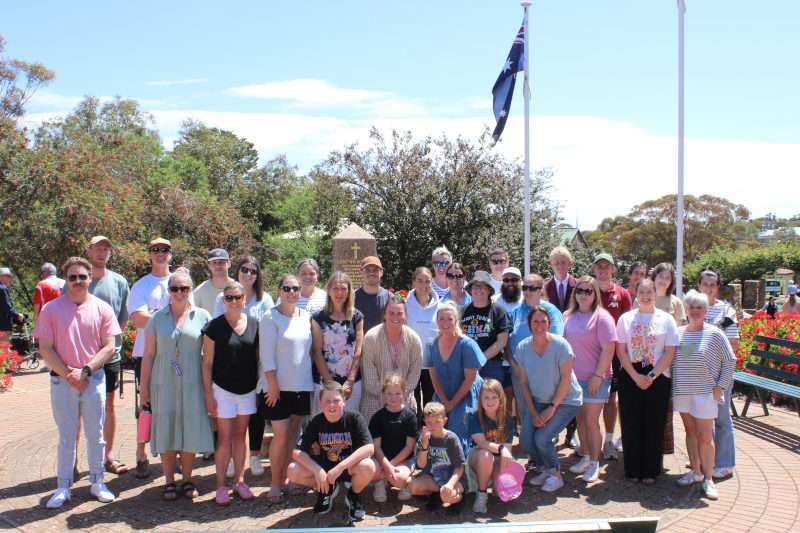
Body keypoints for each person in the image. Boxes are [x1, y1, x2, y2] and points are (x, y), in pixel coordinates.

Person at [35, 257, 121, 508]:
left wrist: (85, 370)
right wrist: (69, 374)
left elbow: (109, 346)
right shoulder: (51, 309)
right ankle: (63, 486)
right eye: (72, 277)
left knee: (96, 435)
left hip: (93, 379)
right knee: (66, 436)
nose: (78, 281)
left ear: (89, 278)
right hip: (63, 382)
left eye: (82, 277)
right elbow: (46, 348)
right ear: (66, 280)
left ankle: (97, 482)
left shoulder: (102, 308)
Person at [139, 271, 213, 501]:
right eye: (175, 289)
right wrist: (144, 389)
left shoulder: (202, 316)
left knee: (190, 429)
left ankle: (187, 479)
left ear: (191, 290)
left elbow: (209, 358)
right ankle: (169, 481)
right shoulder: (157, 319)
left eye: (184, 288)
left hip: (193, 383)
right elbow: (149, 355)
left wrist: (209, 390)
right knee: (167, 429)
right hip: (164, 383)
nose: (180, 293)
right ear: (168, 291)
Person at [212, 256, 275, 476]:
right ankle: (230, 460)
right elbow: (216, 328)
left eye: (253, 271)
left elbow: (269, 329)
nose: (248, 274)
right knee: (229, 420)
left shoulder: (264, 299)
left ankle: (255, 456)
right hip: (229, 363)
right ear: (237, 271)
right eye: (244, 269)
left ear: (258, 275)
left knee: (256, 413)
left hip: (256, 363)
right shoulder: (223, 296)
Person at [673, 290, 735, 501]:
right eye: (691, 307)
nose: (695, 311)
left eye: (699, 307)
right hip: (683, 392)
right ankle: (696, 471)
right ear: (686, 310)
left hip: (706, 394)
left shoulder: (715, 334)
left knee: (706, 437)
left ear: (705, 310)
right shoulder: (679, 332)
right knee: (690, 432)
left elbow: (730, 361)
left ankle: (708, 478)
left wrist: (721, 387)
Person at [615, 279, 679, 484]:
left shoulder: (666, 319)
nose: (645, 296)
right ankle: (633, 469)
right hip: (631, 374)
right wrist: (635, 376)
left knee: (654, 422)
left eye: (649, 292)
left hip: (657, 375)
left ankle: (651, 470)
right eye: (641, 292)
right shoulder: (625, 319)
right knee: (631, 421)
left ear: (655, 294)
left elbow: (670, 351)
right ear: (635, 294)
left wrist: (651, 376)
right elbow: (621, 351)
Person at [514, 306, 582, 493]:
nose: (539, 325)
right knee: (527, 440)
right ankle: (544, 468)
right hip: (538, 399)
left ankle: (556, 475)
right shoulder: (522, 348)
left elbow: (566, 380)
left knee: (542, 438)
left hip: (566, 400)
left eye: (543, 321)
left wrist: (552, 408)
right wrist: (534, 412)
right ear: (529, 325)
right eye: (535, 321)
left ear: (549, 324)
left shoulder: (561, 346)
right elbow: (524, 384)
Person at [202, 281, 259, 505]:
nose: (234, 301)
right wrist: (209, 394)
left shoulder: (255, 324)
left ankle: (240, 481)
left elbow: (257, 359)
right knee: (224, 438)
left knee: (240, 436)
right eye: (230, 298)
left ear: (245, 299)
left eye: (238, 297)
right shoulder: (214, 326)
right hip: (222, 389)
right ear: (224, 301)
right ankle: (220, 486)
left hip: (247, 389)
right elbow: (206, 363)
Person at [259, 274, 314, 503]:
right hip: (277, 388)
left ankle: (286, 479)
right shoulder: (270, 317)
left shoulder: (306, 317)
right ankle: (275, 483)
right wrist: (272, 384)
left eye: (296, 288)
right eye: (287, 288)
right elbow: (266, 354)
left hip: (301, 385)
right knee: (280, 437)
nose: (292, 292)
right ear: (279, 290)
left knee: (293, 435)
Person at [287, 381, 375, 521]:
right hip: (325, 469)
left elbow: (369, 447)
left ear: (344, 401)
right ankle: (326, 490)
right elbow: (297, 452)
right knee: (292, 470)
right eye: (327, 401)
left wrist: (341, 467)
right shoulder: (316, 422)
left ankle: (354, 495)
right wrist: (317, 470)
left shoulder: (354, 418)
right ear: (320, 403)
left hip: (348, 467)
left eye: (336, 400)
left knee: (368, 466)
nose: (332, 405)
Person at [127, 237, 174, 478]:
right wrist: (168, 316)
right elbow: (138, 320)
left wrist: (154, 315)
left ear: (170, 254)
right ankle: (140, 453)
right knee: (146, 405)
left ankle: (172, 452)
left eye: (164, 250)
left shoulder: (179, 282)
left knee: (174, 404)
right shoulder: (141, 286)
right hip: (146, 354)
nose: (160, 254)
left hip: (175, 356)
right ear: (149, 255)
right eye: (155, 250)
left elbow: (189, 315)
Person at [563, 276, 616, 483]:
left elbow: (609, 349)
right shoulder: (567, 316)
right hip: (573, 380)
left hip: (597, 379)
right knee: (581, 421)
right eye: (580, 291)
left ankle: (595, 463)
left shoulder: (602, 317)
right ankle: (585, 457)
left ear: (595, 294)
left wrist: (597, 376)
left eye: (588, 291)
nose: (583, 295)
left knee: (592, 422)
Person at [85, 235, 130, 476]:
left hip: (110, 356)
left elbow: (123, 318)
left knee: (109, 406)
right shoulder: (78, 279)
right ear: (89, 250)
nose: (102, 252)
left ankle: (108, 456)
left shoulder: (120, 281)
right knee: (80, 408)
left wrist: (108, 344)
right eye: (98, 248)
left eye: (106, 249)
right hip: (81, 358)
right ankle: (72, 461)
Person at [509, 273, 564, 460]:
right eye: (524, 287)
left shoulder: (551, 311)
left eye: (532, 288)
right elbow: (507, 340)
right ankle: (533, 453)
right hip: (519, 370)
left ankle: (546, 453)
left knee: (544, 410)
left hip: (544, 371)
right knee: (525, 410)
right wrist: (513, 363)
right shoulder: (516, 311)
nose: (528, 292)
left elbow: (556, 340)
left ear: (541, 290)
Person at [424, 301, 485, 452]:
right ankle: (439, 464)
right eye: (441, 319)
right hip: (443, 393)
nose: (445, 323)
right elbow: (434, 377)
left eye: (449, 319)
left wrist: (452, 404)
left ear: (456, 321)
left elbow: (470, 380)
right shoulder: (431, 345)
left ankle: (462, 467)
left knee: (458, 428)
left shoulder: (467, 345)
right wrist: (444, 401)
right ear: (436, 321)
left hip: (466, 393)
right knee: (436, 426)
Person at [697, 267, 739, 479]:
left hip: (720, 374)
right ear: (699, 286)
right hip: (699, 374)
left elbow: (734, 344)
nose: (709, 288)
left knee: (721, 418)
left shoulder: (726, 312)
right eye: (705, 284)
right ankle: (707, 458)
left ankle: (725, 462)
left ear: (717, 288)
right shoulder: (693, 309)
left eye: (712, 285)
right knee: (703, 417)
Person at [593, 252, 632, 458]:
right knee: (588, 399)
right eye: (599, 266)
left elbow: (627, 325)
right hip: (590, 353)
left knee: (610, 398)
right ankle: (589, 442)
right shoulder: (586, 291)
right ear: (594, 269)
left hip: (614, 355)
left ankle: (608, 441)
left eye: (606, 266)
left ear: (613, 269)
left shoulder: (622, 294)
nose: (602, 270)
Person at [360, 295, 422, 423]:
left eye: (399, 313)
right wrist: (390, 398)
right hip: (375, 404)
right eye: (391, 313)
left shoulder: (414, 339)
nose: (395, 317)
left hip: (404, 403)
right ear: (384, 315)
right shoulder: (371, 338)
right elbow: (370, 380)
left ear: (405, 316)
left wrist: (399, 397)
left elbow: (415, 374)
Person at [311, 272, 365, 414]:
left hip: (351, 383)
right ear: (328, 290)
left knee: (350, 424)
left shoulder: (357, 316)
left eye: (343, 289)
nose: (339, 293)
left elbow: (358, 350)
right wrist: (330, 384)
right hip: (325, 381)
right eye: (335, 288)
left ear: (349, 292)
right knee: (324, 425)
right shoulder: (318, 317)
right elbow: (317, 352)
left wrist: (350, 380)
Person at [648, 262, 686, 456]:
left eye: (667, 277)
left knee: (665, 407)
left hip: (667, 363)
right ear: (654, 277)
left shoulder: (676, 303)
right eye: (660, 276)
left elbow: (680, 333)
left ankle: (663, 448)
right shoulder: (644, 298)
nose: (663, 280)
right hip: (646, 361)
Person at [407, 401, 465, 514]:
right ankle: (435, 495)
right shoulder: (424, 437)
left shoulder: (451, 439)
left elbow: (459, 467)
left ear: (445, 420)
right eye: (429, 422)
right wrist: (424, 445)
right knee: (413, 487)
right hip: (435, 477)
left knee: (447, 496)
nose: (433, 426)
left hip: (453, 478)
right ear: (424, 422)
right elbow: (421, 465)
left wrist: (450, 484)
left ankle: (460, 499)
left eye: (437, 421)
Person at [467, 379, 516, 514]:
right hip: (477, 458)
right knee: (485, 454)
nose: (490, 401)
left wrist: (501, 471)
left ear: (501, 398)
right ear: (480, 399)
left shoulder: (507, 418)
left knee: (504, 486)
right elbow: (482, 443)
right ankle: (482, 494)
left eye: (494, 397)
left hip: (498, 457)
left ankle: (495, 485)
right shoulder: (474, 416)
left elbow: (507, 450)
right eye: (486, 397)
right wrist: (501, 449)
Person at [368, 373, 418, 503]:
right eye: (389, 393)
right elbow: (376, 447)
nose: (393, 397)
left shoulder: (410, 416)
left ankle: (405, 484)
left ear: (404, 393)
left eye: (397, 393)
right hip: (381, 459)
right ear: (383, 394)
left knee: (398, 478)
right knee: (367, 469)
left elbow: (409, 447)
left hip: (403, 460)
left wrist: (391, 465)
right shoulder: (377, 417)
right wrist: (385, 464)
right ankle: (380, 482)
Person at [460, 271, 511, 396]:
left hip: (492, 365)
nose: (478, 289)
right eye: (475, 286)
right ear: (470, 290)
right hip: (466, 365)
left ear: (489, 290)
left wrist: (480, 359)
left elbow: (502, 342)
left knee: (492, 403)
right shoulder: (461, 311)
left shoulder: (499, 312)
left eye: (481, 286)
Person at [406, 267, 440, 411]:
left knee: (430, 403)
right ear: (413, 282)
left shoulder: (440, 306)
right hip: (410, 361)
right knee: (412, 405)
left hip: (432, 363)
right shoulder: (405, 305)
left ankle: (428, 431)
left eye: (427, 281)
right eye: (420, 281)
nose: (423, 285)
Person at [354, 255, 390, 334]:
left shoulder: (390, 298)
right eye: (367, 270)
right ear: (361, 272)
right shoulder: (351, 298)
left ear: (381, 272)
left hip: (382, 344)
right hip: (358, 345)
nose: (371, 273)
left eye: (375, 270)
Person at [193, 248, 233, 315]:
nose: (218, 265)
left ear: (229, 264)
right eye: (214, 262)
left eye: (221, 262)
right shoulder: (199, 291)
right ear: (209, 266)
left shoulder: (239, 288)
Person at [543, 246, 577, 313]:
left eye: (563, 262)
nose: (560, 266)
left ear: (569, 263)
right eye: (556, 263)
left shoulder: (578, 285)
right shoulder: (544, 287)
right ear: (551, 264)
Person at [0, 267, 24, 342]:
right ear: (1, 276)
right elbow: (7, 307)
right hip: (3, 325)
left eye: (9, 276)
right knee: (3, 349)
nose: (9, 278)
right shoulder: (2, 288)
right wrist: (17, 315)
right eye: (7, 276)